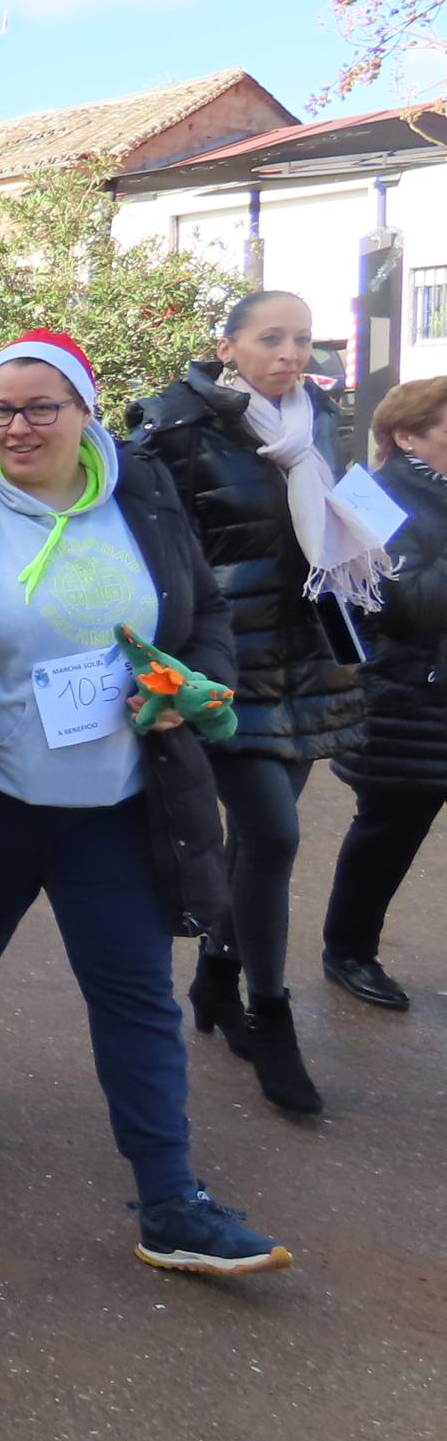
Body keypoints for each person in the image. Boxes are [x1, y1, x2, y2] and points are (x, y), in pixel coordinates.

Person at [0, 330, 291, 1274]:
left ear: (85, 411)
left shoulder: (142, 491)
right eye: (1, 408)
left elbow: (202, 616)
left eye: (41, 406)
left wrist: (190, 684)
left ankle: (170, 1199)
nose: (17, 426)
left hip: (120, 802)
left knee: (136, 995)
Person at [129, 290, 378, 1114]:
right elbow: (150, 553)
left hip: (311, 660)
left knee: (258, 847)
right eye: (272, 338)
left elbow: (345, 517)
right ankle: (271, 1016)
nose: (291, 354)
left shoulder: (324, 421)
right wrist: (169, 670)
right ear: (228, 346)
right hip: (227, 668)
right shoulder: (175, 427)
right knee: (273, 833)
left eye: (302, 339)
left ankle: (216, 979)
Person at [320, 377, 447, 1009]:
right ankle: (349, 951)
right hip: (408, 701)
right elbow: (408, 605)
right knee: (388, 834)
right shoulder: (373, 499)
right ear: (406, 436)